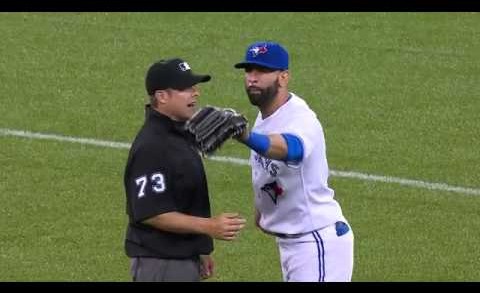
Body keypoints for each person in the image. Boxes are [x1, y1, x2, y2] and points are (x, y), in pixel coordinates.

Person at [233, 41, 354, 282]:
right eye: (249, 71)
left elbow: (292, 149)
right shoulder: (266, 114)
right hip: (294, 245)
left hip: (317, 241)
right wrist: (263, 208)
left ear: (284, 77)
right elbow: (267, 169)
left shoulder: (301, 118)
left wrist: (246, 136)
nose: (252, 78)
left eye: (262, 71)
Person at [123, 58, 246, 282]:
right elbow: (153, 213)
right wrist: (210, 226)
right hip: (161, 264)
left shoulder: (179, 135)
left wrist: (199, 249)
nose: (195, 93)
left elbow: (183, 200)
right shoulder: (152, 146)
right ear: (162, 97)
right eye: (185, 88)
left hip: (180, 259)